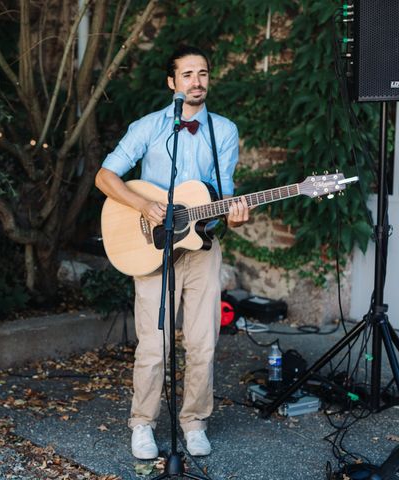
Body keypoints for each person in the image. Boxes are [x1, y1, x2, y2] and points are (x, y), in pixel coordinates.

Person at [95, 45, 250, 459]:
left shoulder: (225, 130)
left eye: (203, 74)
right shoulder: (147, 127)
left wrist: (234, 215)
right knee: (154, 344)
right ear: (172, 82)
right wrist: (142, 204)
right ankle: (142, 423)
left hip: (202, 248)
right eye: (187, 75)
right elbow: (105, 176)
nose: (197, 82)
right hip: (153, 248)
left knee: (203, 342)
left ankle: (194, 421)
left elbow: (226, 193)